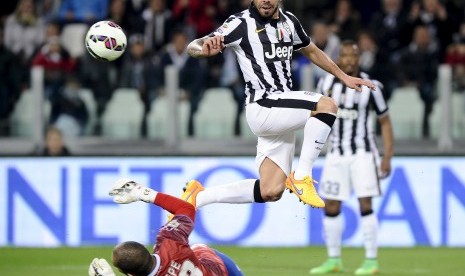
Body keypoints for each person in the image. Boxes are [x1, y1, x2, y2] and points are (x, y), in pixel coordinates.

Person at [182, 0, 375, 208]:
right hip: (263, 105)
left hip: (281, 110)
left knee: (271, 190)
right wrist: (203, 50)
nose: (266, 0)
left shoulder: (289, 22)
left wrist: (343, 76)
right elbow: (194, 46)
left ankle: (198, 197)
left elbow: (311, 51)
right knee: (326, 105)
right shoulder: (240, 23)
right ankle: (302, 177)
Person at [309, 41, 394, 275]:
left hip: (363, 154)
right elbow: (316, 114)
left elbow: (385, 121)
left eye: (353, 55)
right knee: (332, 205)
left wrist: (387, 156)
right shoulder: (325, 82)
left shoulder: (372, 86)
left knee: (365, 204)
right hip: (336, 154)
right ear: (339, 58)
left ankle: (371, 261)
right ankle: (334, 260)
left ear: (359, 58)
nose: (348, 60)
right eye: (344, 55)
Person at [88, 178, 243, 276]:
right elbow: (186, 209)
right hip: (219, 269)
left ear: (129, 273)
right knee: (197, 247)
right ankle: (189, 198)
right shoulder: (168, 241)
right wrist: (144, 193)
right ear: (144, 249)